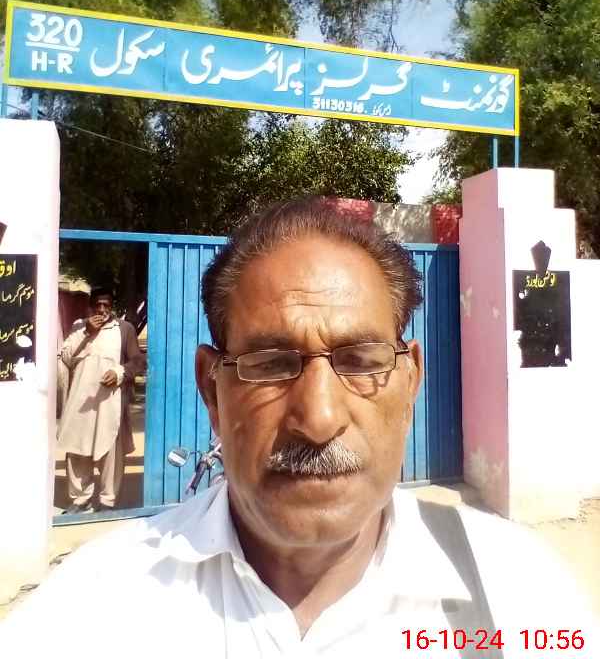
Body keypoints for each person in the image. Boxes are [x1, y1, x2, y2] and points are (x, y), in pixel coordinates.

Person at [1, 199, 597, 657]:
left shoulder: (517, 593)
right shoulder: (89, 611)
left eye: (361, 361)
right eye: (270, 364)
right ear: (212, 389)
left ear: (410, 382)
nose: (319, 418)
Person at [56, 287, 144, 513]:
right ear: (90, 307)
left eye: (106, 305)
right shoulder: (78, 327)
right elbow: (66, 357)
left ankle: (107, 500)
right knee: (77, 449)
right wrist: (86, 331)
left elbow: (138, 361)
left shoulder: (124, 329)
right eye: (97, 305)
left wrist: (119, 373)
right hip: (79, 402)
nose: (102, 310)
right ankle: (80, 500)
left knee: (110, 452)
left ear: (112, 307)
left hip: (109, 403)